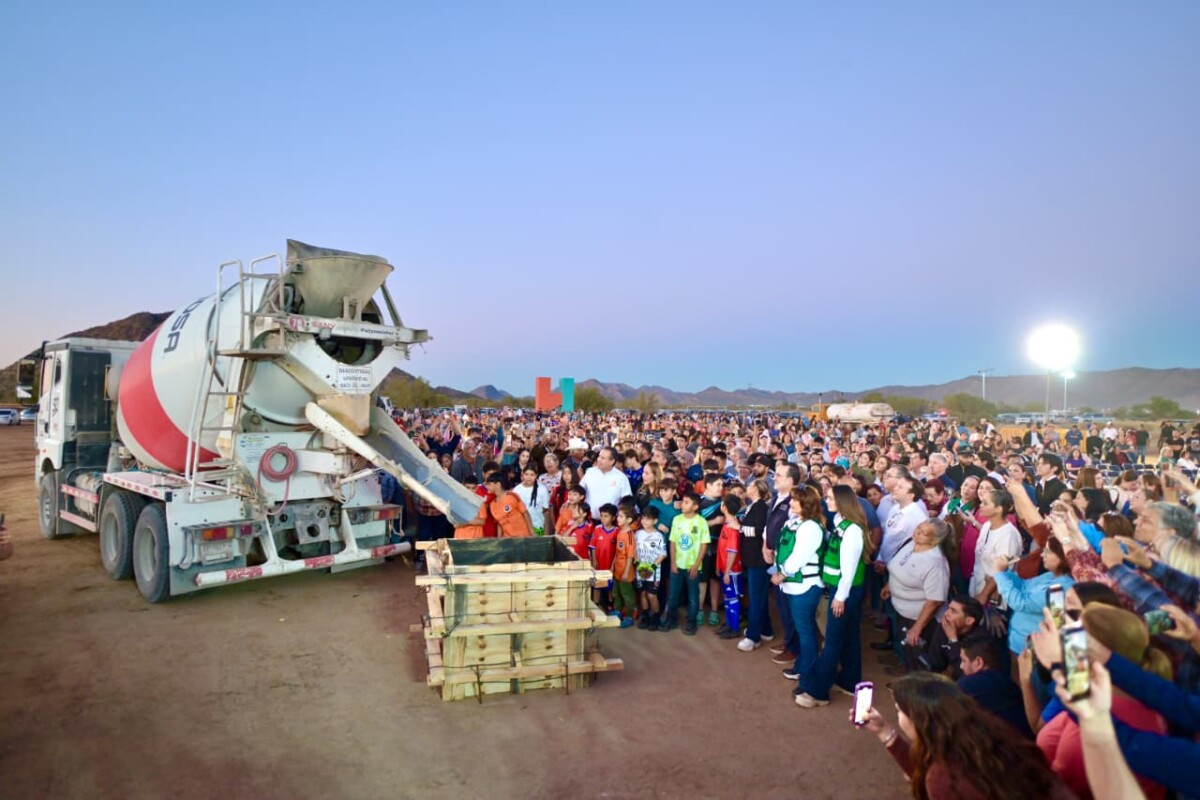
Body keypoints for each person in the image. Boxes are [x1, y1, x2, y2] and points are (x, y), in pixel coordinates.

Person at [855, 672, 1073, 799]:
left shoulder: (943, 775)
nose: (898, 717)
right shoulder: (987, 730)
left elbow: (930, 780)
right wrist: (885, 731)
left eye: (899, 711)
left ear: (919, 721)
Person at [795, 485, 870, 708]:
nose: (826, 501)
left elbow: (849, 568)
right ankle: (849, 679)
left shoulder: (853, 530)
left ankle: (818, 691)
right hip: (841, 589)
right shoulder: (840, 523)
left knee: (833, 640)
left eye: (830, 498)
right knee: (848, 635)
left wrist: (840, 597)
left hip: (844, 591)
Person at [771, 486, 825, 687]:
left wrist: (782, 573)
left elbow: (799, 556)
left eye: (796, 500)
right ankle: (803, 665)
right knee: (802, 627)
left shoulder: (811, 526)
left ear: (807, 504)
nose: (791, 503)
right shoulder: (794, 522)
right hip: (792, 584)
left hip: (805, 584)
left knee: (805, 629)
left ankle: (807, 669)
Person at [882, 519, 952, 671]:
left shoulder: (935, 563)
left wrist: (917, 628)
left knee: (919, 659)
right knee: (908, 654)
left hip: (921, 619)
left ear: (934, 540)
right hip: (903, 612)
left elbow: (935, 601)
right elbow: (900, 567)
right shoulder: (912, 543)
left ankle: (917, 691)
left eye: (924, 533)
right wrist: (890, 585)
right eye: (919, 527)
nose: (918, 532)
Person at [957, 635, 1033, 737]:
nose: (961, 666)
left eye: (963, 660)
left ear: (978, 662)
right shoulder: (1006, 682)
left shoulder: (974, 684)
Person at [659, 493, 708, 635]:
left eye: (686, 502)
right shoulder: (677, 520)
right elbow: (673, 542)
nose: (682, 504)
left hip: (693, 567)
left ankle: (691, 622)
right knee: (673, 595)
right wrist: (673, 563)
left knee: (693, 596)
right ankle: (671, 619)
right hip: (677, 565)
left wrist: (696, 564)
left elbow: (704, 545)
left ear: (695, 506)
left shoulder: (701, 522)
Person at [737, 478, 774, 652]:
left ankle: (753, 636)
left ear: (757, 489)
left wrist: (739, 527)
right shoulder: (754, 506)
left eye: (751, 485)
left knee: (756, 597)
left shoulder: (760, 507)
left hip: (758, 560)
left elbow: (760, 530)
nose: (747, 487)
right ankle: (766, 629)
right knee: (759, 596)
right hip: (753, 558)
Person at [969, 491, 1021, 607]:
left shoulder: (1008, 535)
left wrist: (984, 595)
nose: (980, 505)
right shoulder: (987, 526)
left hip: (994, 597)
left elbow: (1002, 570)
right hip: (979, 586)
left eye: (985, 503)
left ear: (998, 509)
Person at [715, 494, 743, 640]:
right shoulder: (728, 523)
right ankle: (729, 624)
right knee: (727, 596)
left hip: (732, 571)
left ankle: (735, 628)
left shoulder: (732, 527)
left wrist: (727, 571)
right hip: (725, 568)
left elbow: (733, 551)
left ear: (724, 507)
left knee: (733, 598)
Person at [634, 507, 666, 629]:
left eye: (648, 519)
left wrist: (652, 567)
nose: (644, 521)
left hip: (653, 571)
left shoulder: (658, 536)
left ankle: (656, 617)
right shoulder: (638, 534)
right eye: (643, 518)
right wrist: (638, 564)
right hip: (640, 570)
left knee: (652, 595)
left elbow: (662, 554)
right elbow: (634, 551)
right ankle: (645, 616)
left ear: (655, 521)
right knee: (642, 593)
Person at [579, 447, 633, 512]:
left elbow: (627, 500)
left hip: (611, 520)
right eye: (599, 456)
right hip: (590, 519)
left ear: (612, 461)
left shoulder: (621, 477)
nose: (599, 459)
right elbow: (579, 490)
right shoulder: (590, 472)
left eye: (603, 458)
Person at [484, 472, 535, 538]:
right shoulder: (492, 505)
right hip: (508, 540)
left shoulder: (512, 496)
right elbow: (499, 523)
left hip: (523, 537)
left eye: (489, 484)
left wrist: (532, 533)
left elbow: (525, 513)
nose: (487, 487)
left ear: (498, 485)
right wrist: (499, 539)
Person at [611, 507, 638, 627]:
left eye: (621, 516)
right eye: (618, 516)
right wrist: (613, 565)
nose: (618, 518)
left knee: (627, 594)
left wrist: (626, 572)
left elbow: (630, 556)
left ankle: (629, 616)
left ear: (629, 519)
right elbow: (617, 552)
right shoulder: (619, 532)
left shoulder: (630, 535)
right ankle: (617, 611)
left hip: (625, 570)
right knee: (616, 592)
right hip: (617, 568)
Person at [589, 503, 619, 611]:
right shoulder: (597, 529)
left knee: (610, 586)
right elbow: (593, 546)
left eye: (606, 516)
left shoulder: (616, 531)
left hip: (610, 564)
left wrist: (613, 564)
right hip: (599, 563)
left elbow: (617, 551)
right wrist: (594, 560)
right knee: (597, 585)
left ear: (613, 518)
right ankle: (595, 605)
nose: (603, 518)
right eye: (601, 516)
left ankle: (610, 605)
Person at [513, 465, 553, 535]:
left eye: (532, 475)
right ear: (522, 474)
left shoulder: (542, 490)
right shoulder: (516, 490)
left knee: (538, 545)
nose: (529, 477)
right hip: (522, 529)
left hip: (539, 527)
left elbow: (546, 512)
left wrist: (546, 533)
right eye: (526, 474)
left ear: (536, 475)